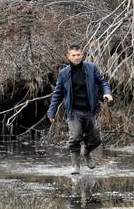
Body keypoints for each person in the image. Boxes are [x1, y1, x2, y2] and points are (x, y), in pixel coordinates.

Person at [47, 44, 113, 174]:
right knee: (75, 137)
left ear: (82, 55)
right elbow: (58, 93)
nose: (76, 57)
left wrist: (107, 93)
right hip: (74, 111)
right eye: (73, 55)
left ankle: (86, 152)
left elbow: (102, 82)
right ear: (68, 57)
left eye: (78, 55)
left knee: (95, 140)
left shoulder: (91, 68)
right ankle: (75, 166)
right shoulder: (64, 73)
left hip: (90, 110)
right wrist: (51, 111)